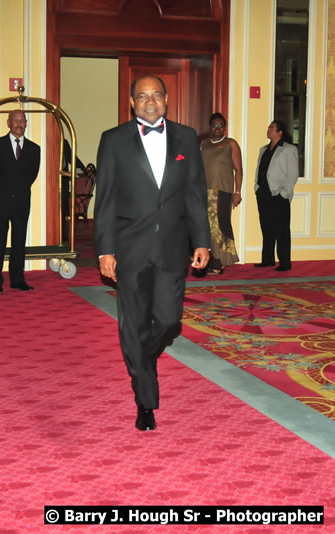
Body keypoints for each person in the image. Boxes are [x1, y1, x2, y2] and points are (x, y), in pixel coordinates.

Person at [95, 75, 210, 432]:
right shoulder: (113, 141)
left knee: (169, 321)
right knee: (133, 323)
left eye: (156, 95)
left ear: (166, 99)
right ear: (132, 103)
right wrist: (105, 250)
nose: (149, 101)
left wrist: (202, 241)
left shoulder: (187, 138)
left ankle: (141, 357)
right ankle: (145, 402)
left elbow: (195, 194)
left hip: (173, 248)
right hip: (129, 249)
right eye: (142, 96)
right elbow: (106, 200)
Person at [0, 110, 40, 293]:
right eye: (15, 120)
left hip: (22, 201)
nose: (19, 124)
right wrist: (2, 190)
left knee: (19, 241)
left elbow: (32, 175)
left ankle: (18, 279)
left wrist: (17, 191)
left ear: (26, 123)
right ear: (8, 123)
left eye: (22, 120)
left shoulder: (34, 149)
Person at [200, 112, 242, 275]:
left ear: (224, 128)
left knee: (219, 226)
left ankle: (220, 261)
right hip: (205, 191)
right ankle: (213, 259)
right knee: (208, 227)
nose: (217, 128)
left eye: (220, 125)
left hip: (223, 191)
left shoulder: (230, 144)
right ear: (210, 128)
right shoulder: (204, 143)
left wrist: (237, 192)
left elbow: (238, 170)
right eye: (214, 125)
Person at [254, 120, 298, 271]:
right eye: (269, 127)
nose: (269, 130)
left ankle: (285, 262)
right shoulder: (263, 149)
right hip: (263, 193)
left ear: (280, 132)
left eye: (272, 128)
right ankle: (267, 259)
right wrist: (257, 188)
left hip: (278, 194)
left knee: (282, 230)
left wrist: (284, 194)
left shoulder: (288, 149)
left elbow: (292, 175)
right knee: (266, 228)